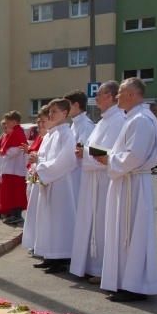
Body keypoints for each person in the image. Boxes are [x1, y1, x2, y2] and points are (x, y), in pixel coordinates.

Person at [95, 78, 157, 302]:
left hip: (132, 183)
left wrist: (109, 158)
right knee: (125, 232)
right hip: (127, 181)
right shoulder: (134, 118)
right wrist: (110, 156)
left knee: (130, 233)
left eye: (120, 93)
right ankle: (125, 281)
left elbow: (134, 155)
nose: (116, 97)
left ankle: (134, 286)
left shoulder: (141, 120)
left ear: (131, 94)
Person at [70, 81, 125, 283]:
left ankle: (101, 268)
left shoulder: (117, 120)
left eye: (100, 95)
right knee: (90, 221)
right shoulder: (103, 121)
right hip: (92, 178)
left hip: (103, 180)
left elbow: (109, 152)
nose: (96, 99)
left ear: (110, 96)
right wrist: (83, 150)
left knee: (101, 223)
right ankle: (89, 265)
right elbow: (95, 147)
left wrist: (83, 151)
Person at [31, 99, 77, 274]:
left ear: (65, 113)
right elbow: (44, 157)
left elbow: (66, 160)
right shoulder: (52, 133)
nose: (51, 115)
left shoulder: (66, 134)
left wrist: (42, 169)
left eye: (55, 111)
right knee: (47, 219)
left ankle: (61, 258)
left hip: (60, 183)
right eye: (50, 112)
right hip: (48, 180)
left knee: (59, 221)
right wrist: (38, 168)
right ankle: (49, 255)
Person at [21, 107, 51, 252]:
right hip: (34, 174)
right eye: (38, 124)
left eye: (42, 123)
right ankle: (34, 241)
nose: (40, 127)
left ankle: (38, 242)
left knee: (38, 210)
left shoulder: (51, 136)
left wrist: (36, 156)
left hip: (42, 175)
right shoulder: (42, 138)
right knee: (32, 208)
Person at [0, 111, 28, 225]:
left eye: (8, 122)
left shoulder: (17, 132)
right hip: (12, 168)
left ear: (14, 122)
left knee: (15, 193)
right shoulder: (15, 132)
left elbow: (16, 149)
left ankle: (16, 215)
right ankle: (14, 214)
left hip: (15, 169)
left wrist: (4, 152)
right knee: (12, 193)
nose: (6, 125)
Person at [64, 89, 95, 203]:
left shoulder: (86, 125)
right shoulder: (74, 124)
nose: (65, 109)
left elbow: (81, 150)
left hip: (80, 173)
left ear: (76, 105)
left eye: (67, 105)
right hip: (72, 171)